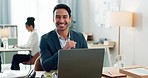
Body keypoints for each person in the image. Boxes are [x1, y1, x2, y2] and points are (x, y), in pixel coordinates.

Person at [39, 4, 88, 72]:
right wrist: (63, 51)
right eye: (58, 17)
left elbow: (87, 61)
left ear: (70, 19)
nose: (61, 21)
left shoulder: (80, 37)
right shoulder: (45, 39)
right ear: (53, 19)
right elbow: (46, 66)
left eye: (65, 17)